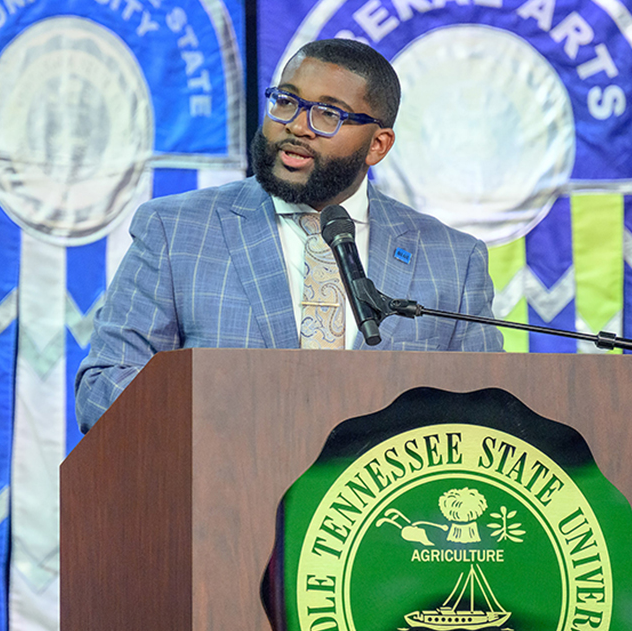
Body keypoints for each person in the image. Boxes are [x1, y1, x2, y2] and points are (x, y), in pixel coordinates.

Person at [75, 38, 503, 433]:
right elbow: (104, 386)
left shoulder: (453, 261)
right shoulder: (178, 230)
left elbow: (488, 413)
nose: (297, 126)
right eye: (286, 101)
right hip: (222, 497)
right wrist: (234, 425)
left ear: (378, 145)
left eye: (328, 114)